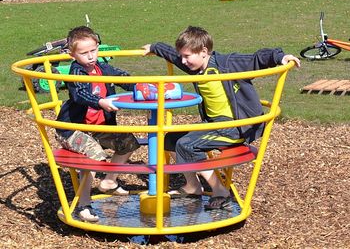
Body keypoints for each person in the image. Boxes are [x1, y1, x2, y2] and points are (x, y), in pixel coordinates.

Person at [143, 26, 300, 210]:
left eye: (187, 56)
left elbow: (256, 58)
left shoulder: (226, 64)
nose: (183, 61)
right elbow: (173, 55)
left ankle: (220, 192)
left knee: (186, 145)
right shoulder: (195, 67)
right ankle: (193, 186)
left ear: (203, 52)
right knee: (169, 140)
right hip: (213, 124)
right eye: (183, 56)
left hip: (234, 127)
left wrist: (280, 57)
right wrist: (155, 47)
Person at [55, 26, 140, 222]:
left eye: (93, 50)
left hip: (99, 128)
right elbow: (80, 94)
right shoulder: (76, 72)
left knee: (127, 141)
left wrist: (140, 86)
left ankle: (109, 181)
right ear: (72, 54)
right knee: (93, 154)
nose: (90, 56)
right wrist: (100, 102)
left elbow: (121, 77)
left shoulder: (101, 67)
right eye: (84, 53)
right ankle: (83, 206)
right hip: (73, 130)